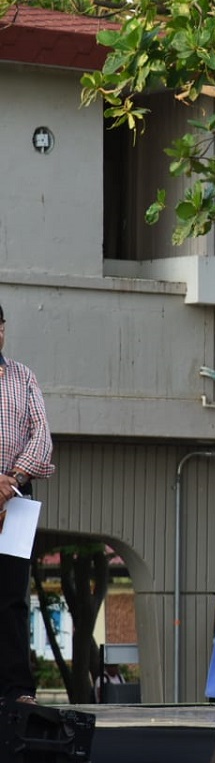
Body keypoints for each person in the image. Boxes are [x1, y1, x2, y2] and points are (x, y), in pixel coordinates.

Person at [0, 303, 55, 706]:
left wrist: (11, 480)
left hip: (15, 500)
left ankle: (17, 690)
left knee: (13, 597)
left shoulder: (24, 376)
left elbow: (43, 438)